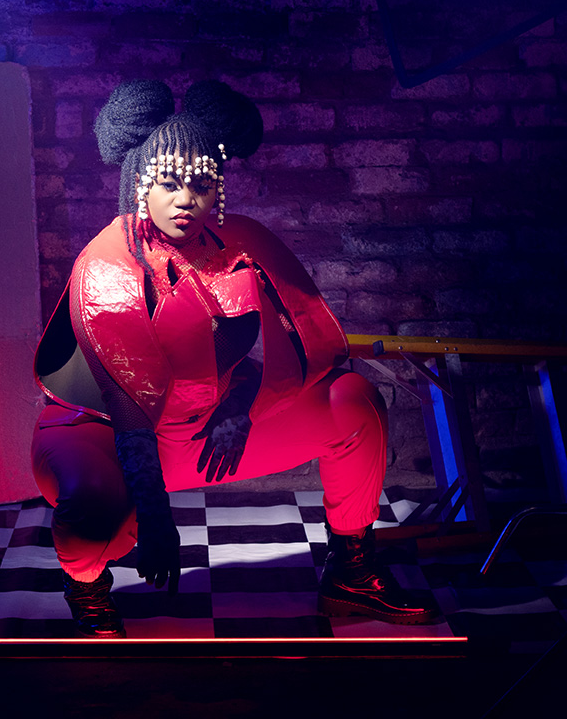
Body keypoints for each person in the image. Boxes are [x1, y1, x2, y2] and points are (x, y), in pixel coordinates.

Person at [28, 78, 431, 637]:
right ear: (139, 185)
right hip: (103, 434)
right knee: (99, 513)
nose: (184, 200)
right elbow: (127, 407)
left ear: (217, 188)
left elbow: (264, 350)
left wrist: (240, 405)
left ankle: (352, 571)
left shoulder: (239, 244)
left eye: (199, 184)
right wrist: (156, 518)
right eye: (168, 183)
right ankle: (88, 587)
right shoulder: (108, 263)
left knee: (351, 401)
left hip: (197, 431)